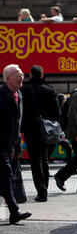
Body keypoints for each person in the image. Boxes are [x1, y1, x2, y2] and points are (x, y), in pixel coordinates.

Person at [21, 65, 60, 202]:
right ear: (42, 75)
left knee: (35, 161)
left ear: (30, 75)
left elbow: (21, 113)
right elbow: (57, 113)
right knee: (44, 158)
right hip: (46, 130)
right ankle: (45, 190)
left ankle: (41, 191)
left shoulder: (24, 90)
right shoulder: (50, 90)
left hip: (30, 130)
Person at [0, 64, 31, 224]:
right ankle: (14, 211)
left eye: (21, 74)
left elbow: (17, 124)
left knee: (5, 178)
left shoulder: (19, 94)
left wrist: (17, 146)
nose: (21, 77)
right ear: (7, 79)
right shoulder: (1, 94)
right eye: (17, 75)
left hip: (10, 145)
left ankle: (13, 212)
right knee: (6, 176)